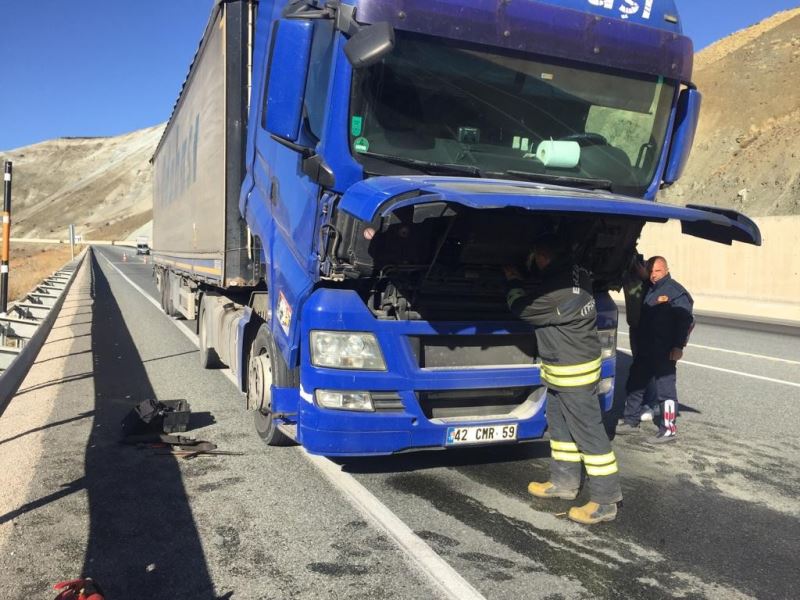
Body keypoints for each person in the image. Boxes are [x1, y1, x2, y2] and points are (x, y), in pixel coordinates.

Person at [505, 234, 622, 525]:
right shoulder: (578, 273)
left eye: (536, 255)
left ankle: (605, 502)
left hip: (574, 375)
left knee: (590, 435)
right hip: (560, 373)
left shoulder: (559, 295)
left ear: (544, 256)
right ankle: (564, 484)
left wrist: (513, 283)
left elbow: (524, 310)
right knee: (560, 430)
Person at [617, 256, 694, 443]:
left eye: (658, 271)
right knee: (635, 384)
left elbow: (685, 321)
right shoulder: (650, 289)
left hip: (664, 350)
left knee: (665, 390)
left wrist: (678, 346)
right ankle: (630, 421)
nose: (654, 275)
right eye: (651, 271)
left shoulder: (676, 292)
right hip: (646, 349)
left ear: (666, 270)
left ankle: (668, 430)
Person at [621, 252, 658, 422]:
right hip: (634, 327)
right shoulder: (627, 276)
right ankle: (639, 403)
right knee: (638, 364)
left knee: (648, 367)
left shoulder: (651, 280)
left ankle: (650, 403)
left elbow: (660, 283)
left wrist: (645, 275)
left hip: (648, 328)